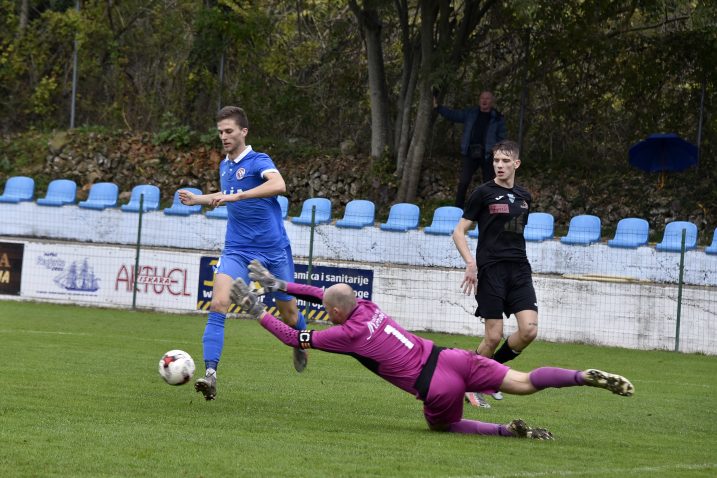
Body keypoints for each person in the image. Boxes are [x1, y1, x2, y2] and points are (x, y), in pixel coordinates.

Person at [230, 259, 634, 440]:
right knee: (526, 383)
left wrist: (256, 309)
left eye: (327, 311)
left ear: (335, 314)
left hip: (435, 384)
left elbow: (293, 337)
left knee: (441, 427)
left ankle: (504, 431)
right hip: (453, 357)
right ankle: (582, 377)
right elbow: (324, 293)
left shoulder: (345, 335)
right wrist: (281, 285)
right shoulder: (366, 306)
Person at [178, 105, 308, 401]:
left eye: (229, 131)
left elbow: (279, 185)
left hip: (274, 250)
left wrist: (239, 195)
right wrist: (198, 199)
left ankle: (299, 341)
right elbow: (225, 196)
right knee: (218, 303)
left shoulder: (258, 160)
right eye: (220, 132)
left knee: (289, 315)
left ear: (243, 132)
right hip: (237, 248)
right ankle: (210, 375)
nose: (223, 136)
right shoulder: (225, 165)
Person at [451, 139, 536, 409]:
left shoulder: (525, 197)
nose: (499, 165)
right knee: (493, 336)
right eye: (496, 160)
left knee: (529, 331)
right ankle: (467, 384)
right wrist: (470, 263)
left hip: (520, 269)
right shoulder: (483, 193)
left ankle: (490, 376)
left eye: (505, 161)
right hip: (491, 270)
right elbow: (459, 231)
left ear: (516, 164)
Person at [434, 91, 507, 208]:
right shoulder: (471, 113)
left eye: (487, 99)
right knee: (463, 182)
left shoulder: (497, 118)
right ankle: (457, 210)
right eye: (482, 98)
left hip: (488, 155)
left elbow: (502, 137)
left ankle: (487, 211)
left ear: (492, 102)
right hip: (470, 153)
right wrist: (438, 108)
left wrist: (496, 150)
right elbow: (454, 115)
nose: (484, 101)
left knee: (489, 184)